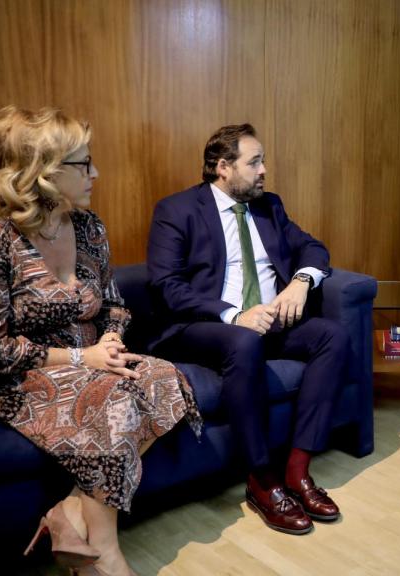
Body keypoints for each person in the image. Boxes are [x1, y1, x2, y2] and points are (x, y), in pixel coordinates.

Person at [0, 106, 202, 576]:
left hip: (92, 359)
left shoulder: (88, 227)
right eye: (83, 164)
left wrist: (112, 342)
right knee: (117, 400)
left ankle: (70, 511)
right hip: (18, 376)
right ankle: (102, 553)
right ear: (42, 172)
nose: (95, 173)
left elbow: (115, 305)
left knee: (165, 377)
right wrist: (84, 357)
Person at [146, 124, 347, 535]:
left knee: (334, 336)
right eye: (254, 162)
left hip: (270, 320)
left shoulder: (268, 206)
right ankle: (261, 479)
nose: (264, 170)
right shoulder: (177, 210)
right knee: (243, 341)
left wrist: (300, 282)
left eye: (263, 161)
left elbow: (313, 248)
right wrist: (234, 314)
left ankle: (297, 470)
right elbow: (166, 285)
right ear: (223, 167)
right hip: (205, 326)